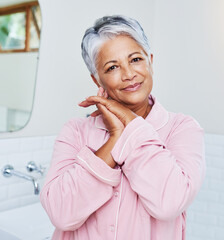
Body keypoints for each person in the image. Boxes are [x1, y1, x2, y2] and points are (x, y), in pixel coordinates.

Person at [40, 15, 205, 240]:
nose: (129, 75)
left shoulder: (182, 128)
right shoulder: (75, 131)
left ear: (151, 61)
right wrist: (116, 136)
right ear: (97, 80)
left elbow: (169, 203)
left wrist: (130, 123)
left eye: (135, 59)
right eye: (112, 67)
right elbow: (61, 214)